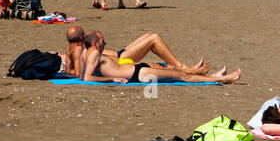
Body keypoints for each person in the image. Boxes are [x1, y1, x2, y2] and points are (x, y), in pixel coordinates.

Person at [78, 31, 240, 83]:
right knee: (183, 76)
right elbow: (87, 78)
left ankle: (214, 76)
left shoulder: (88, 53)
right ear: (95, 43)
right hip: (137, 74)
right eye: (101, 40)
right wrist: (112, 79)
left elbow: (82, 74)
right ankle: (219, 79)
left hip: (136, 70)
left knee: (174, 71)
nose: (104, 41)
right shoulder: (92, 53)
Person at [64, 25, 211, 75]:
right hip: (123, 59)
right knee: (153, 38)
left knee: (149, 35)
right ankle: (183, 67)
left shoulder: (77, 49)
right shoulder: (81, 52)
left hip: (120, 54)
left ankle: (183, 67)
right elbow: (78, 73)